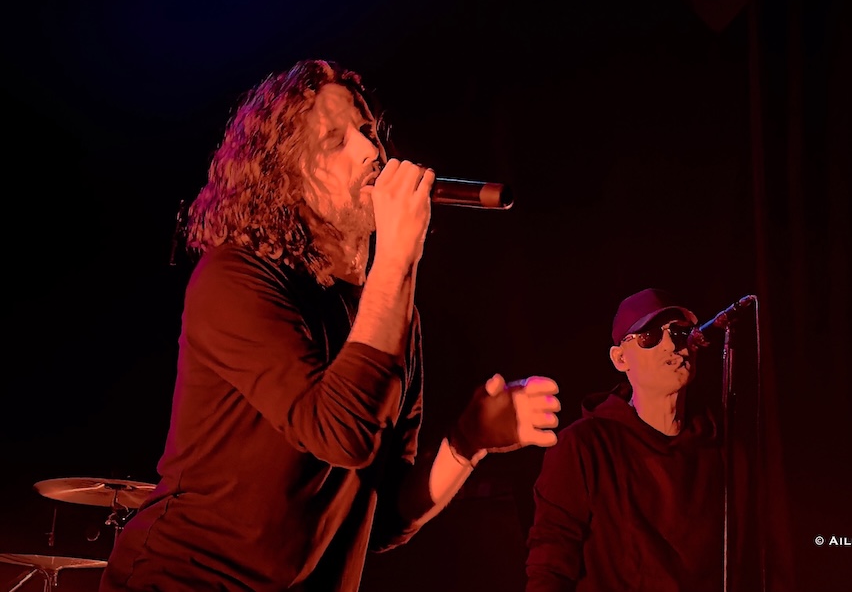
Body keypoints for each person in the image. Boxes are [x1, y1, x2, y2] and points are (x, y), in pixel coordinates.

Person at [99, 59, 561, 592]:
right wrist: (398, 255)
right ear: (284, 176)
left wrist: (467, 442)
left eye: (368, 130)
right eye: (335, 140)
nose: (371, 150)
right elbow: (341, 433)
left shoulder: (391, 312)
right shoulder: (235, 279)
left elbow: (382, 517)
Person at [524, 288, 724, 592]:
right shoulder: (583, 447)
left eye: (680, 332)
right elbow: (550, 563)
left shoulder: (718, 443)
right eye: (649, 336)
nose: (671, 344)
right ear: (620, 359)